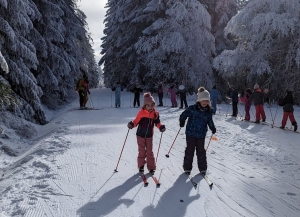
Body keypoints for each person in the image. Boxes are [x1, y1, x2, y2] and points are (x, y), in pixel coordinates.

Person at [179, 87, 216, 175]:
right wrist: (182, 121)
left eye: (207, 101)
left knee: (201, 152)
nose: (205, 102)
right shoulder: (192, 109)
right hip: (190, 134)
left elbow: (209, 121)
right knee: (190, 150)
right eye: (203, 100)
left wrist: (212, 128)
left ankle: (202, 168)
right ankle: (187, 168)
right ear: (199, 100)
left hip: (201, 135)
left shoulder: (208, 112)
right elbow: (183, 115)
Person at [127, 92, 166, 175]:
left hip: (149, 136)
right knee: (142, 151)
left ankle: (151, 167)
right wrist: (131, 124)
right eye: (148, 105)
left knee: (149, 151)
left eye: (152, 105)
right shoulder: (141, 113)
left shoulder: (155, 114)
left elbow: (157, 123)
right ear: (145, 106)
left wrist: (161, 127)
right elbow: (136, 121)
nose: (150, 107)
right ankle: (141, 166)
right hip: (140, 135)